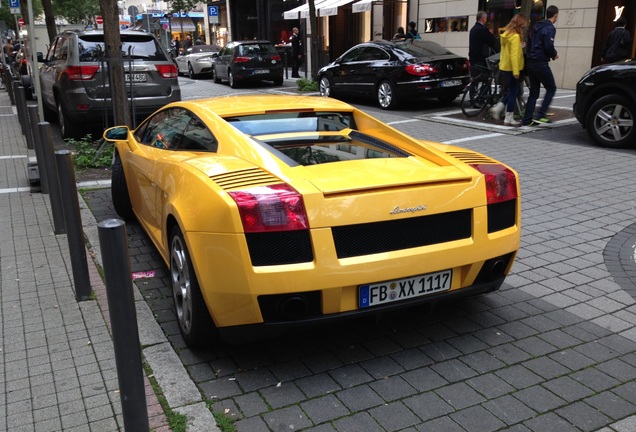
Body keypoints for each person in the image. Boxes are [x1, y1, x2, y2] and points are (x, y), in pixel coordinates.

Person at [521, 5, 559, 126]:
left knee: (534, 92)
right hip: (541, 63)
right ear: (556, 15)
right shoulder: (549, 28)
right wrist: (554, 54)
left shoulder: (535, 26)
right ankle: (541, 115)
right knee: (551, 88)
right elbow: (548, 46)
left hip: (531, 62)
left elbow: (530, 44)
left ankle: (527, 120)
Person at [490, 13, 527, 126]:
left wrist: (520, 47)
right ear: (520, 25)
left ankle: (498, 108)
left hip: (504, 67)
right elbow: (514, 56)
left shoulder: (506, 34)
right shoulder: (515, 37)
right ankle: (508, 118)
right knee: (513, 92)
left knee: (512, 91)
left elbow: (508, 51)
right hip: (512, 69)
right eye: (523, 26)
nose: (523, 28)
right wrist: (516, 71)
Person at [468, 11, 497, 79]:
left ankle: (473, 89)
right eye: (486, 18)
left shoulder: (473, 29)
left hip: (473, 58)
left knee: (474, 79)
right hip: (481, 59)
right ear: (483, 18)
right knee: (486, 78)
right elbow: (492, 41)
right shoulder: (482, 29)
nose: (486, 20)